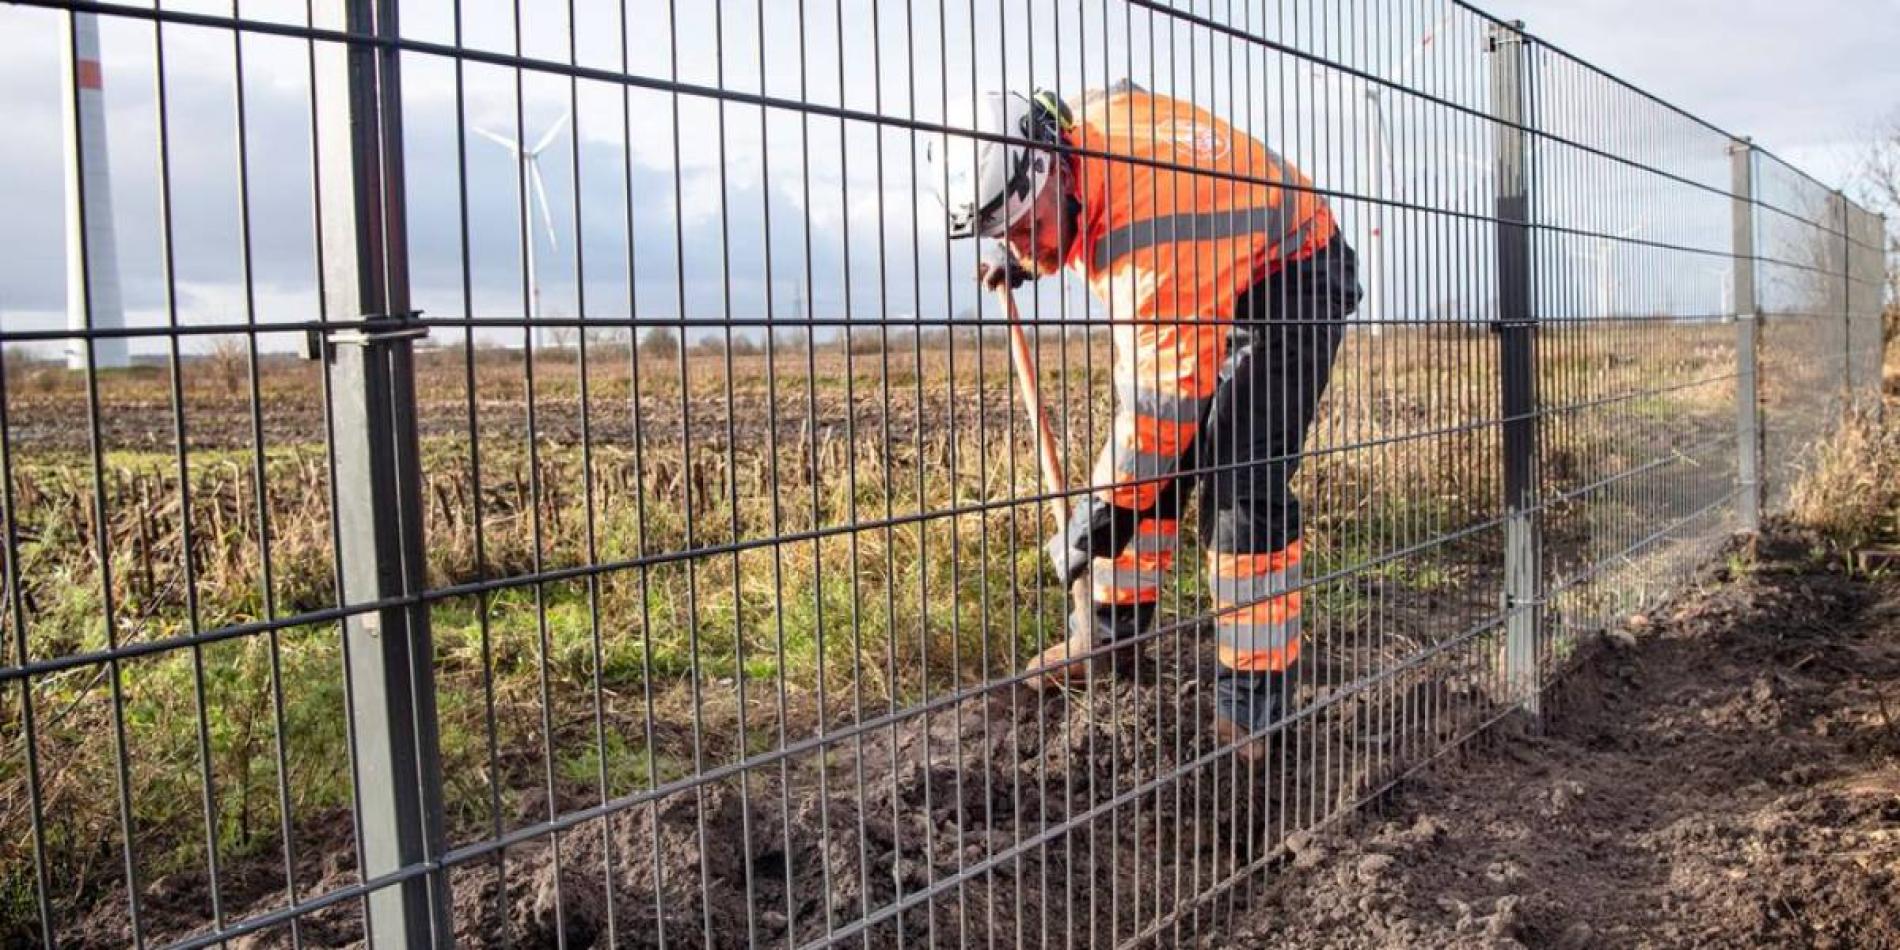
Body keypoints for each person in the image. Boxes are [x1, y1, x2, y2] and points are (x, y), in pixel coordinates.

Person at [930, 85, 1360, 759]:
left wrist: (1097, 519)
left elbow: (1166, 407)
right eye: (1002, 232)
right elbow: (1111, 100)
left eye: (1024, 227)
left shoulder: (1146, 240)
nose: (1022, 244)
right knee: (1146, 467)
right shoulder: (1074, 149)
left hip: (1293, 273)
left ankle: (1254, 703)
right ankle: (1109, 641)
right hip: (1215, 258)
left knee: (1237, 482)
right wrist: (1020, 253)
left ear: (1056, 171)